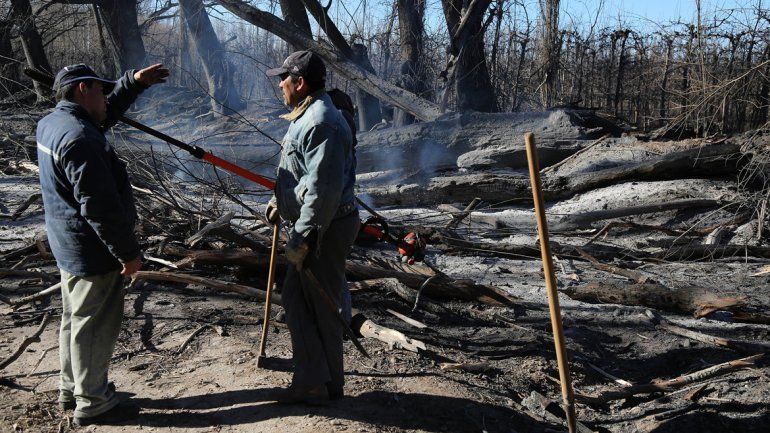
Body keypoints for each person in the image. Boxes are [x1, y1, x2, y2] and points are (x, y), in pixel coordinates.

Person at [36, 63, 169, 426]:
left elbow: (102, 117)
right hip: (91, 249)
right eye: (101, 91)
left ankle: (72, 388)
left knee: (74, 319)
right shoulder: (81, 138)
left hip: (67, 243)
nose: (107, 99)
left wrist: (133, 84)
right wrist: (127, 253)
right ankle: (93, 401)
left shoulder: (53, 124)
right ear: (83, 90)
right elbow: (99, 207)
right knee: (94, 324)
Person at [265, 51, 358, 405]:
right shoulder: (307, 115)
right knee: (316, 303)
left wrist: (303, 237)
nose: (280, 85)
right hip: (320, 223)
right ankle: (326, 382)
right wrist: (281, 202)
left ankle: (312, 384)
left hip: (323, 228)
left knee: (306, 301)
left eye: (283, 78)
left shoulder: (321, 121)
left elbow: (323, 191)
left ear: (300, 82)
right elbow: (303, 174)